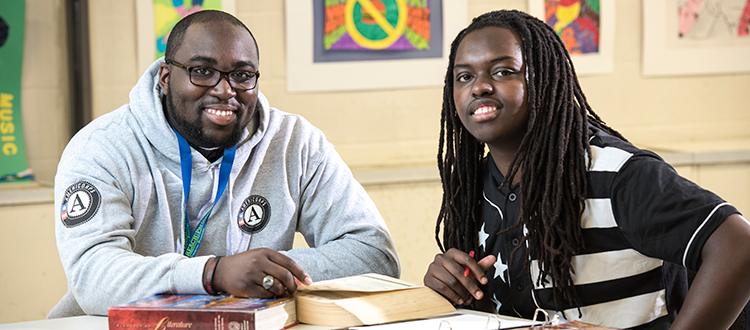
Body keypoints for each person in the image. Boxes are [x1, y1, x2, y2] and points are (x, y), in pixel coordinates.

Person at [50, 10, 399, 317]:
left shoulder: (295, 142)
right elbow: (92, 276)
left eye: (242, 75)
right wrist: (212, 274)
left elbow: (375, 255)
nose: (225, 90)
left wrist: (266, 273)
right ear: (166, 77)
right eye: (202, 71)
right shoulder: (103, 146)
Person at [422, 9, 750, 329]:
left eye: (503, 71)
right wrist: (451, 290)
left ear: (545, 79)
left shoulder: (618, 175)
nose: (478, 87)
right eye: (464, 76)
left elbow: (740, 246)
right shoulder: (472, 188)